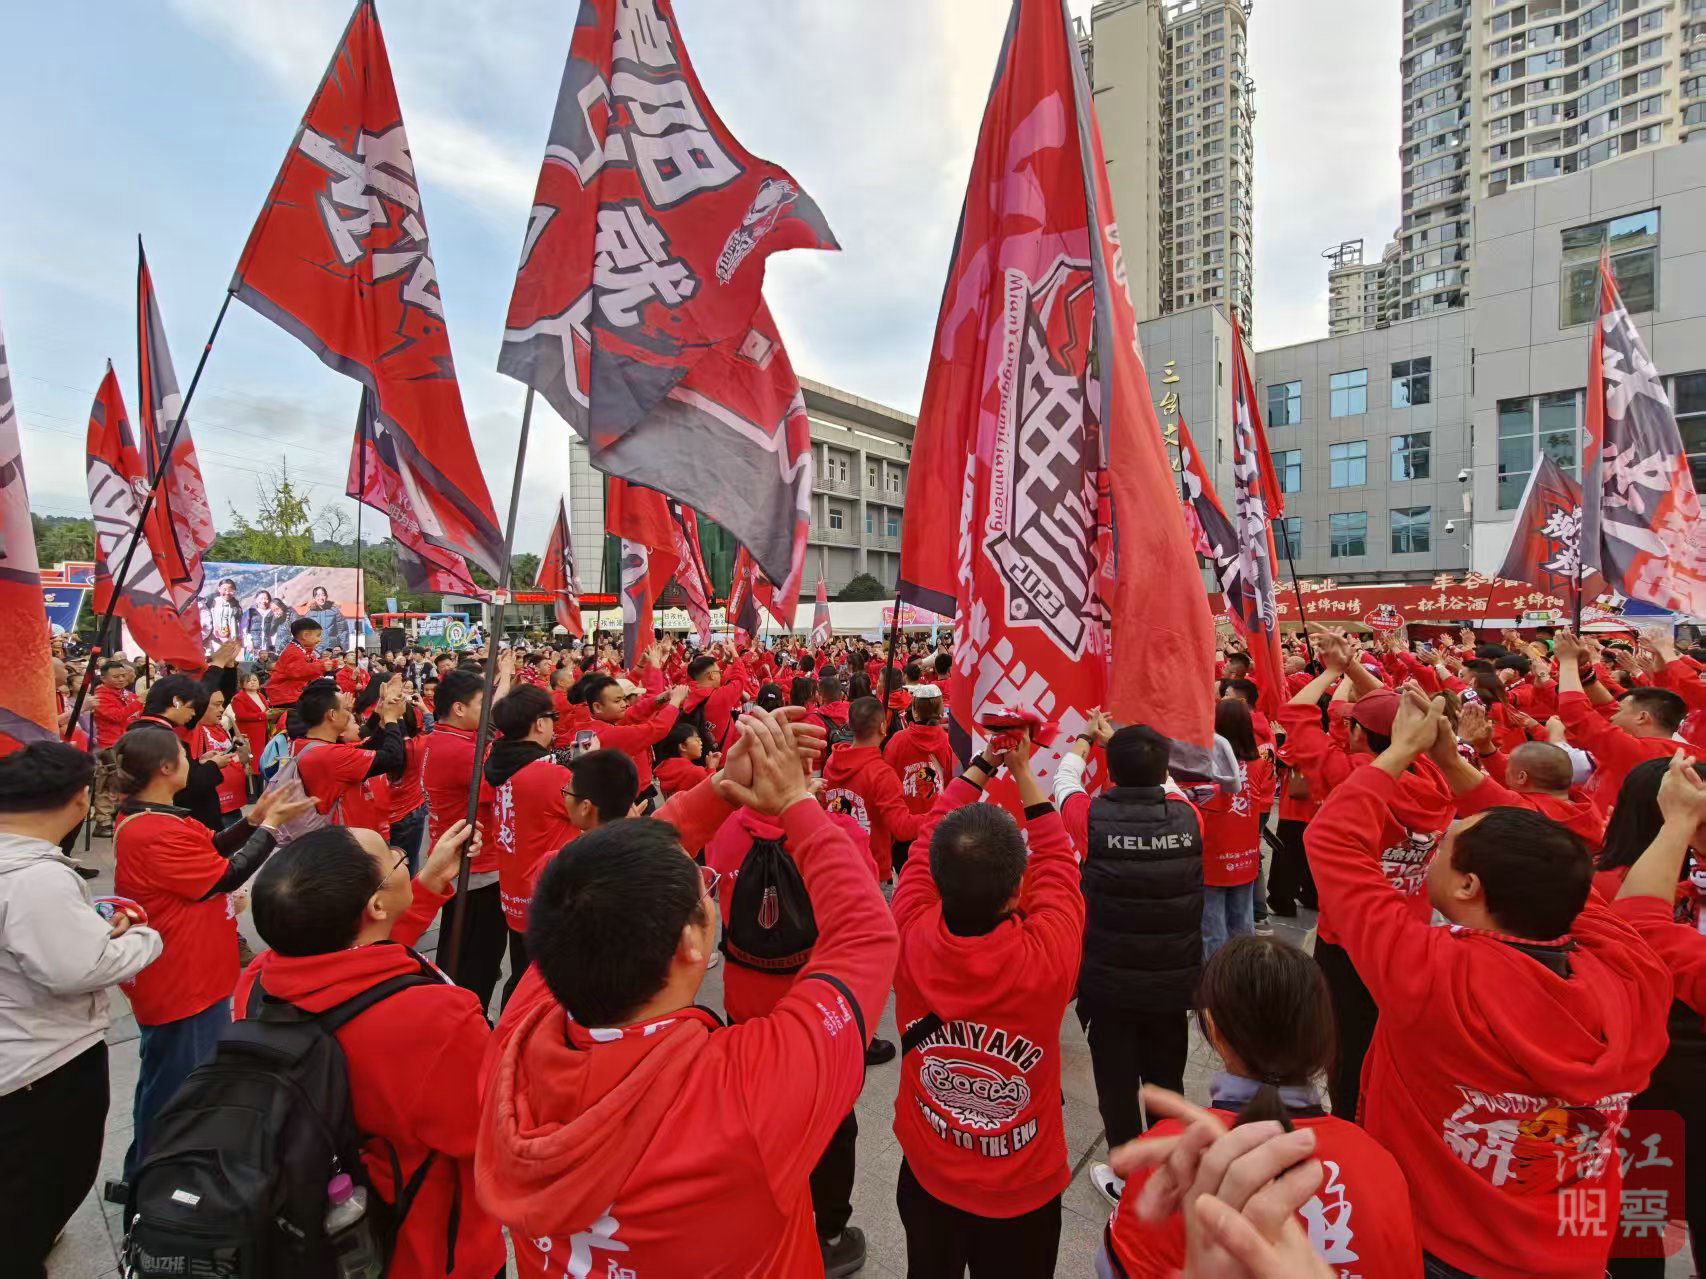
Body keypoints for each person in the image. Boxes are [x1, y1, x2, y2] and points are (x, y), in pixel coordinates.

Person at [476, 707, 898, 1276]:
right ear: (691, 941)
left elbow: (604, 871)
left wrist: (723, 787)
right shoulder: (748, 1090)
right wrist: (798, 804)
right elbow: (865, 935)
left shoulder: (512, 1046)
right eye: (702, 890)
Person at [1305, 688, 1671, 1278]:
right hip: (1576, 1250)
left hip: (1441, 1250)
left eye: (1446, 848)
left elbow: (1331, 841)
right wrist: (1452, 762)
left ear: (1468, 886)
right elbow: (1544, 850)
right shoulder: (1633, 972)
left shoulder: (1431, 974)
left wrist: (1399, 752)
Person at [237, 819, 507, 1279]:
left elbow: (351, 961)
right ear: (377, 906)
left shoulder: (260, 979)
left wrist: (427, 883)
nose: (404, 857)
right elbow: (492, 1134)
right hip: (425, 1250)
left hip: (319, 1224)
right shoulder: (433, 1019)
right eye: (393, 858)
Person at [1101, 936, 1420, 1277]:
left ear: (1215, 1030)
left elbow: (1113, 1268)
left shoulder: (1172, 1158)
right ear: (1322, 1038)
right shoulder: (1380, 1165)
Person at [888, 732, 1080, 1277]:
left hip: (927, 1171)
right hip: (1022, 1189)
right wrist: (1022, 771)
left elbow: (927, 838)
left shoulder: (907, 928)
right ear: (1019, 889)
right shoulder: (1050, 956)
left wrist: (982, 765)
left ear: (935, 879)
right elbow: (1059, 863)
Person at [103, 729, 315, 1190]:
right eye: (185, 756)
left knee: (167, 1079)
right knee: (178, 1087)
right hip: (184, 980)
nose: (193, 762)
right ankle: (156, 1184)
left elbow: (213, 848)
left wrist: (254, 820)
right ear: (165, 768)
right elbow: (226, 874)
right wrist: (269, 829)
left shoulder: (159, 818)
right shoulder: (151, 831)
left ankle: (145, 1173)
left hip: (193, 971)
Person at [0, 743, 163, 1279]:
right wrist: (143, 938)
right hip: (43, 1064)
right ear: (77, 801)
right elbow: (78, 968)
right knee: (50, 1178)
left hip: (18, 1054)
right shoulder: (34, 878)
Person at [1278, 629, 1453, 1120]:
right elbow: (1397, 719)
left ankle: (1352, 1125)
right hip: (1411, 933)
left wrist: (1334, 669)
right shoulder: (1433, 777)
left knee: (1347, 1045)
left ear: (1358, 734)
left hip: (1348, 938)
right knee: (1391, 1036)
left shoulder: (1348, 775)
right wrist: (1352, 666)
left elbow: (1295, 711)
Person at [1055, 714, 1205, 1206]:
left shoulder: (1090, 818)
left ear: (1112, 772)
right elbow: (1168, 783)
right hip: (1172, 983)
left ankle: (1125, 1175)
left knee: (1116, 1081)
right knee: (1166, 1077)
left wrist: (1087, 739)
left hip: (1108, 985)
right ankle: (1170, 1168)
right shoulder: (1189, 818)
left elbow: (1063, 779)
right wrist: (1119, 740)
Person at [1608, 752, 1706, 1279]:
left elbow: (1639, 926)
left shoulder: (1600, 886)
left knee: (1637, 1209)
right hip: (1653, 1080)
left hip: (1639, 1082)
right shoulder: (1685, 890)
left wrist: (1680, 826)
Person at [422, 666, 509, 1013]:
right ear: (459, 708)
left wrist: (504, 678)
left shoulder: (446, 738)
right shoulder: (459, 751)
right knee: (475, 958)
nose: (488, 711)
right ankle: (465, 1017)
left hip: (461, 859)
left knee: (460, 949)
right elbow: (498, 785)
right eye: (482, 704)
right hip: (476, 867)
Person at [1427, 703, 1606, 850]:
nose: (1504, 770)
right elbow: (1509, 777)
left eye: (1509, 765)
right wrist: (1485, 746)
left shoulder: (1522, 814)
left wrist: (1463, 740)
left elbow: (1453, 765)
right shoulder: (1585, 810)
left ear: (1522, 777)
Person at [1197, 699, 1277, 958]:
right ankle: (1243, 972)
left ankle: (1217, 976)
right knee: (1242, 923)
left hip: (1212, 854)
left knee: (1212, 928)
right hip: (1245, 854)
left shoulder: (1204, 766)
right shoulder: (1260, 762)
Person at [819, 695, 922, 886]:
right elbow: (902, 828)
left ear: (850, 725)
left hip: (837, 864)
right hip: (872, 873)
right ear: (882, 727)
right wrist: (939, 817)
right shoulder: (881, 774)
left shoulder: (832, 762)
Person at [290, 678, 408, 838]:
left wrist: (382, 717)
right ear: (332, 715)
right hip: (341, 840)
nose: (349, 714)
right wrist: (392, 719)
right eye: (345, 709)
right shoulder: (328, 755)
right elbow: (393, 758)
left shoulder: (308, 745)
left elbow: (366, 749)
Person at [581, 671, 688, 803]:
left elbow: (635, 711)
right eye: (617, 701)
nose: (624, 704)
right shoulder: (607, 734)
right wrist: (675, 701)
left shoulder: (595, 723)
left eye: (624, 699)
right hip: (626, 800)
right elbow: (657, 728)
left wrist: (664, 697)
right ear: (597, 707)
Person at [882, 682, 955, 873]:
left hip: (905, 830)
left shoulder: (898, 741)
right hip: (937, 828)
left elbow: (887, 781)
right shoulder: (948, 742)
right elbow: (951, 784)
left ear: (914, 712)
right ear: (940, 712)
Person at [192, 690, 250, 829]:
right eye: (217, 704)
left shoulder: (220, 727)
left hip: (234, 804)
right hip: (217, 807)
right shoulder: (196, 731)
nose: (222, 709)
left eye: (222, 704)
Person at [267, 616, 324, 714]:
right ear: (305, 635)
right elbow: (297, 672)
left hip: (293, 695)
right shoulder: (293, 652)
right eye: (318, 635)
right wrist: (321, 666)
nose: (320, 640)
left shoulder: (303, 651)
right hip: (286, 697)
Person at [653, 719, 714, 797]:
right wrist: (711, 768)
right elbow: (712, 791)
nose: (701, 743)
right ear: (683, 746)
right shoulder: (696, 772)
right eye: (697, 739)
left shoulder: (664, 767)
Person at [91, 659, 141, 751]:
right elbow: (116, 716)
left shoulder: (126, 692)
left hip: (131, 739)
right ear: (103, 678)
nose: (121, 679)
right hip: (112, 744)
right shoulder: (99, 697)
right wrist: (139, 702)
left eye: (123, 675)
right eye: (116, 677)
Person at [231, 672, 270, 788]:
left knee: (262, 757)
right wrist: (262, 716)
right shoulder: (238, 698)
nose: (252, 683)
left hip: (263, 731)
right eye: (248, 681)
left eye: (254, 680)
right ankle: (252, 788)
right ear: (242, 684)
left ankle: (261, 786)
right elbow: (241, 715)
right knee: (252, 758)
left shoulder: (261, 695)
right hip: (250, 733)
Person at [306, 584, 349, 649]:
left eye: (323, 595)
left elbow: (343, 631)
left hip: (331, 648)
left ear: (326, 596)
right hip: (315, 649)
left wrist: (343, 648)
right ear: (314, 598)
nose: (321, 598)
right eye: (318, 595)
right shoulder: (309, 614)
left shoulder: (335, 611)